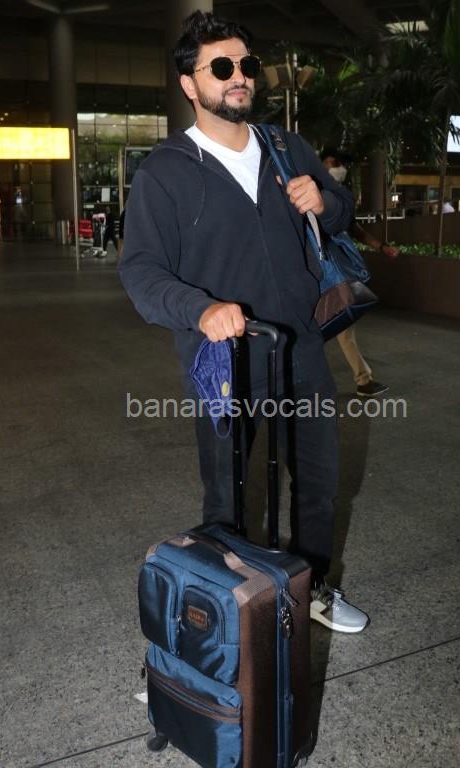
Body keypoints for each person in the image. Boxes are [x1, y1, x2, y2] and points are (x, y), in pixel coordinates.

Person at [119, 11, 369, 633]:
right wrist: (199, 309)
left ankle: (313, 588)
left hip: (301, 350)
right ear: (189, 84)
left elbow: (342, 213)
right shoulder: (164, 172)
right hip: (223, 363)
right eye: (222, 67)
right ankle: (228, 615)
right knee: (228, 497)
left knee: (318, 482)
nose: (239, 77)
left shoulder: (287, 149)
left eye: (247, 65)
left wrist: (326, 201)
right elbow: (141, 271)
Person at [321, 149, 398, 398]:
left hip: (335, 271)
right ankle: (362, 380)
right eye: (335, 162)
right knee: (338, 324)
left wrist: (381, 246)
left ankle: (363, 380)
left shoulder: (338, 195)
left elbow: (354, 228)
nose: (339, 168)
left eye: (342, 164)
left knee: (343, 323)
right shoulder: (309, 188)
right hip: (318, 271)